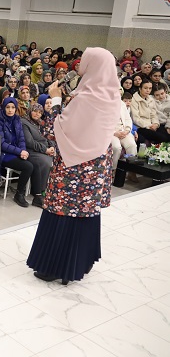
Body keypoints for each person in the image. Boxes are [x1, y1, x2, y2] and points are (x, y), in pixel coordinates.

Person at [27, 47, 121, 284]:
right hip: (96, 165)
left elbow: (55, 129)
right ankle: (80, 261)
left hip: (74, 167)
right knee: (85, 212)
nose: (80, 66)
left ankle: (54, 267)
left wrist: (56, 100)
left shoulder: (88, 98)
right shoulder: (111, 94)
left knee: (64, 212)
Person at [0, 97, 44, 207]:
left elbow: (21, 139)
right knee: (28, 166)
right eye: (8, 107)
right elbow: (1, 144)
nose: (10, 110)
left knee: (36, 164)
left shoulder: (17, 120)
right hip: (3, 154)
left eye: (13, 107)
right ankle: (19, 194)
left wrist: (23, 150)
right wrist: (20, 152)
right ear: (3, 108)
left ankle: (37, 196)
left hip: (16, 152)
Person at [20, 103, 55, 206]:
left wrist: (52, 147)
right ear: (30, 110)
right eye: (35, 111)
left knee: (58, 161)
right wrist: (45, 150)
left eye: (40, 112)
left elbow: (49, 137)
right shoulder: (24, 123)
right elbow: (29, 142)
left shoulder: (41, 123)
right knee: (46, 162)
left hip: (44, 150)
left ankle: (51, 190)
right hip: (31, 151)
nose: (37, 114)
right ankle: (38, 194)